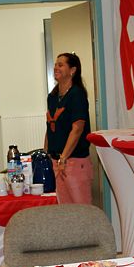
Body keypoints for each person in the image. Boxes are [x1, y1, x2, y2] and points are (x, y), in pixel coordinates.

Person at [44, 52, 93, 204]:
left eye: (60, 65)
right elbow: (50, 126)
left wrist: (63, 158)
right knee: (65, 211)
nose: (56, 68)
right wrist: (46, 154)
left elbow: (77, 129)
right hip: (57, 162)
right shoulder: (52, 97)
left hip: (74, 161)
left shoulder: (77, 95)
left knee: (81, 210)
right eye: (55, 65)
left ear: (72, 70)